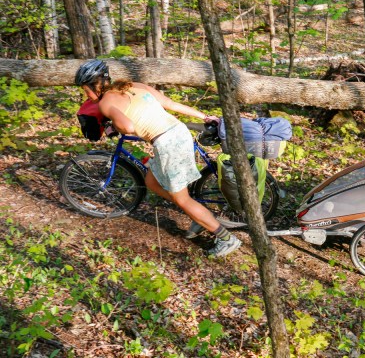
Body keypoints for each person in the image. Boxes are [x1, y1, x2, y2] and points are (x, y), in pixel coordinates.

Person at [74, 60, 241, 257]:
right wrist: (204, 116)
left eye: (86, 90)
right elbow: (170, 104)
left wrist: (114, 127)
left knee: (183, 199)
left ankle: (226, 238)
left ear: (96, 85)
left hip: (168, 143)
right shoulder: (133, 86)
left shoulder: (105, 103)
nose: (86, 95)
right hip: (179, 131)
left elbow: (127, 127)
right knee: (151, 182)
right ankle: (199, 215)